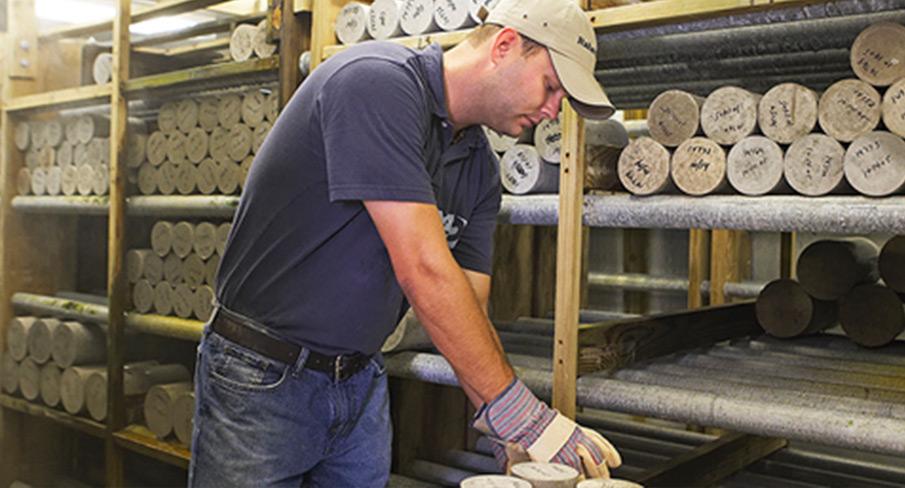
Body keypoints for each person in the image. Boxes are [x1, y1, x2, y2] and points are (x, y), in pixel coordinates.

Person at [188, 0, 621, 486]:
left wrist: (505, 433)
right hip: (263, 378)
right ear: (504, 46)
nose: (551, 110)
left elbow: (466, 303)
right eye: (551, 86)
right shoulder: (376, 84)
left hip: (360, 381)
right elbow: (424, 269)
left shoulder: (478, 166)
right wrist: (521, 415)